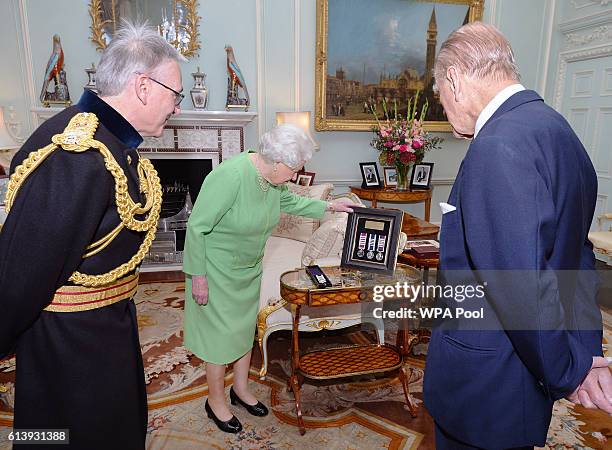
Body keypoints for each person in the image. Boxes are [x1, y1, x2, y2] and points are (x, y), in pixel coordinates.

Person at [423, 22, 612, 449]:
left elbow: (522, 284)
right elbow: (576, 258)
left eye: (439, 95)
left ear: (453, 78)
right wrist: (586, 353)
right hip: (520, 385)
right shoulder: (559, 132)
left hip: (486, 387)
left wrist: (569, 370)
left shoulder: (496, 147)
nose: (444, 108)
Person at [0, 21, 183, 449]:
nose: (177, 106)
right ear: (142, 86)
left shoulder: (108, 140)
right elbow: (22, 272)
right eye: (174, 94)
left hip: (101, 332)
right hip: (68, 351)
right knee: (58, 439)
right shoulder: (76, 154)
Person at [183, 124, 358, 434]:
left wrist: (329, 205)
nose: (294, 177)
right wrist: (198, 277)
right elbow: (197, 228)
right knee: (218, 340)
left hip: (248, 268)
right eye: (293, 170)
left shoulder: (272, 178)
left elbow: (290, 202)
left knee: (242, 331)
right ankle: (215, 400)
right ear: (276, 161)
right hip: (216, 270)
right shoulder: (229, 177)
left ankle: (240, 388)